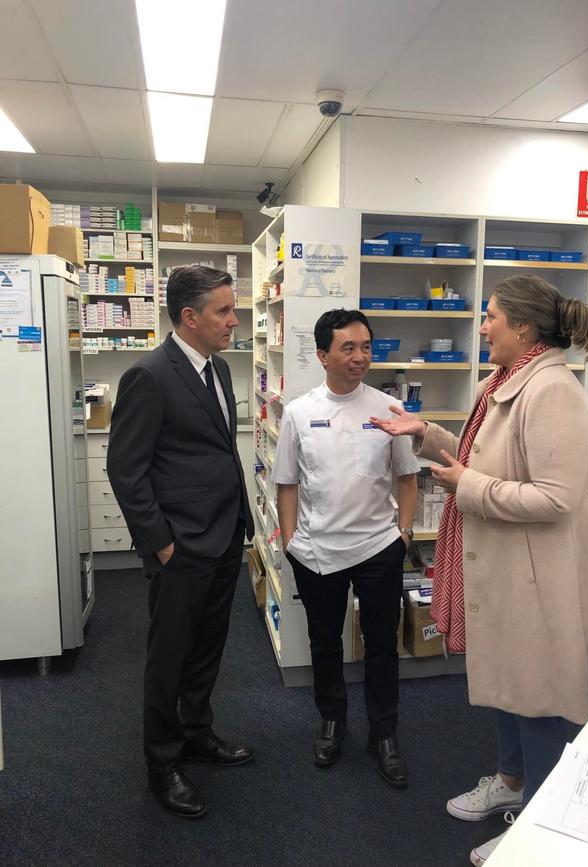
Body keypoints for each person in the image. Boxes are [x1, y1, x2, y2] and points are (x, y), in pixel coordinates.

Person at [370, 275, 588, 865]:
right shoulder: (502, 383)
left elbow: (557, 498)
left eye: (491, 316)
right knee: (509, 685)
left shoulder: (552, 391)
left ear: (523, 328)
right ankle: (512, 781)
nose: (481, 326)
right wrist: (426, 435)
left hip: (538, 576)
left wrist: (467, 486)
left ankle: (543, 824)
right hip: (507, 567)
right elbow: (481, 457)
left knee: (539, 697)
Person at [106, 265, 255, 819]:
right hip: (181, 548)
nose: (233, 320)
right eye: (223, 311)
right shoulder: (149, 374)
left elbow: (214, 451)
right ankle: (162, 764)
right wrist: (160, 545)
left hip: (222, 538)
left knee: (206, 650)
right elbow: (126, 470)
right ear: (189, 317)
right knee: (168, 659)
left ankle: (197, 733)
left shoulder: (215, 368)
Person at [272, 308, 419, 788]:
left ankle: (385, 734)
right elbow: (288, 482)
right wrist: (292, 540)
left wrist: (405, 533)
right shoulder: (299, 412)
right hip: (316, 550)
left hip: (379, 546)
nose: (360, 357)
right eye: (348, 348)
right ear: (322, 355)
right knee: (325, 642)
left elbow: (407, 476)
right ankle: (332, 722)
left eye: (366, 348)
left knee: (382, 645)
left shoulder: (388, 409)